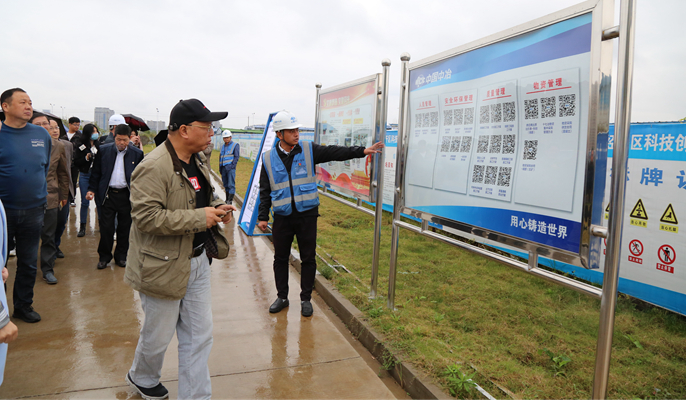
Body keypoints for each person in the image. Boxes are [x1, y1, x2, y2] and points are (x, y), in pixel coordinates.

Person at [124, 98, 234, 399]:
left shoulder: (198, 159)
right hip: (161, 265)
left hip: (197, 261)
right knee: (158, 336)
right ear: (184, 130)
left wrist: (215, 207)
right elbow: (146, 218)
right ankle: (142, 376)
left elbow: (199, 197)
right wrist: (200, 218)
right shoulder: (153, 167)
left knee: (199, 337)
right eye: (206, 127)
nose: (212, 133)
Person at [257, 110, 384, 317]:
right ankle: (282, 297)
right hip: (282, 217)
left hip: (306, 215)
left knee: (308, 257)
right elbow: (265, 189)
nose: (296, 134)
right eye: (291, 131)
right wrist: (263, 216)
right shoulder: (268, 159)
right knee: (280, 258)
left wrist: (362, 151)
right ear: (279, 134)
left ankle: (306, 299)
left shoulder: (308, 149)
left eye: (297, 130)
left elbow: (334, 152)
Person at [0, 88, 52, 323]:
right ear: (5, 106)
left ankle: (23, 306)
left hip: (34, 209)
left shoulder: (41, 134)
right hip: (3, 212)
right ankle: (1, 312)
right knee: (0, 265)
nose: (28, 106)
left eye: (30, 102)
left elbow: (43, 166)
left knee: (29, 262)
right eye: (22, 102)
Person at [86, 124, 143, 269]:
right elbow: (96, 172)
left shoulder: (137, 154)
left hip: (126, 196)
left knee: (124, 228)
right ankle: (104, 257)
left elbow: (141, 177)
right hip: (108, 195)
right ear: (114, 137)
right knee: (106, 228)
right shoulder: (104, 150)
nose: (121, 143)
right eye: (118, 139)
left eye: (125, 140)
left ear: (129, 138)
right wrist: (91, 189)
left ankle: (121, 257)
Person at [32, 116, 70, 285]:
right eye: (37, 124)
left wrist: (63, 195)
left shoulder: (58, 146)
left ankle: (47, 269)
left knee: (49, 235)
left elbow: (62, 173)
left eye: (45, 124)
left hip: (51, 195)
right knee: (29, 236)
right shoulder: (25, 144)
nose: (42, 127)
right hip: (28, 197)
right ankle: (27, 268)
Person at [73, 123, 101, 237]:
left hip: (97, 176)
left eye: (96, 131)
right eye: (93, 131)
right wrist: (86, 158)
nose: (95, 133)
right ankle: (82, 226)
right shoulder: (81, 146)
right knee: (85, 202)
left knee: (99, 201)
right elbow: (76, 162)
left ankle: (101, 224)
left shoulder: (100, 145)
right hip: (85, 175)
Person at [219, 130, 240, 203]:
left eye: (227, 137)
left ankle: (230, 201)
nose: (226, 139)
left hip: (230, 168)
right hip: (223, 168)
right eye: (224, 138)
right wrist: (220, 168)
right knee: (225, 184)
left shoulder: (235, 145)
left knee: (231, 184)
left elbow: (236, 157)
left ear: (230, 137)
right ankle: (227, 199)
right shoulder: (222, 146)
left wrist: (232, 166)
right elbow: (220, 157)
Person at [65, 116, 82, 206]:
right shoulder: (63, 136)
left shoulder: (80, 137)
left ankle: (72, 198)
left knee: (73, 181)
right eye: (75, 125)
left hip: (75, 163)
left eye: (78, 125)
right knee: (64, 180)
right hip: (65, 162)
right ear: (70, 124)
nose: (77, 127)